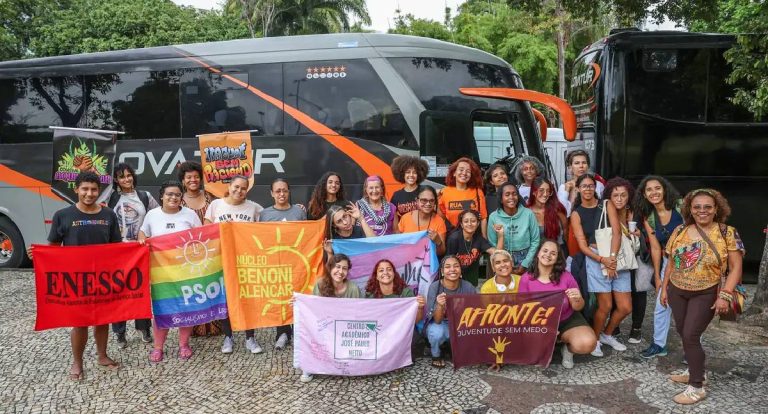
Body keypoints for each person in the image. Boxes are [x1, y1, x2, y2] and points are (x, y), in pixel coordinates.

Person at [32, 171, 122, 381]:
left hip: (103, 277)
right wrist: (37, 255)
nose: (89, 194)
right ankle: (77, 362)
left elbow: (117, 247)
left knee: (102, 320)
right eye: (85, 189)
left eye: (93, 189)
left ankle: (102, 355)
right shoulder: (63, 216)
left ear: (99, 191)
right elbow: (53, 248)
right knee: (79, 322)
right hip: (76, 280)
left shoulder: (108, 215)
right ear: (76, 189)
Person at [660, 188, 744, 405]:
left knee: (690, 334)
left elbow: (736, 268)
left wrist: (725, 296)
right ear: (690, 209)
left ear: (716, 209)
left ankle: (696, 386)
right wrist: (664, 288)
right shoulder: (680, 230)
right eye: (697, 207)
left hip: (706, 292)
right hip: (677, 290)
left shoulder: (727, 232)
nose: (702, 211)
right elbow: (671, 262)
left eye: (707, 207)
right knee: (682, 331)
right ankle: (695, 370)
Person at [139, 181, 203, 362]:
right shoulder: (152, 215)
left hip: (186, 272)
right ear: (161, 196)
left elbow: (200, 238)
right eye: (169, 194)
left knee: (187, 310)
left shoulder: (190, 215)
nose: (173, 197)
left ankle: (184, 344)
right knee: (161, 310)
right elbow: (142, 233)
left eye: (177, 194)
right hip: (162, 274)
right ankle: (158, 348)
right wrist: (143, 240)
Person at [204, 175, 264, 355]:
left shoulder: (255, 208)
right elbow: (206, 230)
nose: (239, 191)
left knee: (247, 298)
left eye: (243, 188)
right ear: (229, 186)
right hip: (221, 260)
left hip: (245, 262)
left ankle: (250, 337)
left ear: (247, 190)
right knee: (225, 299)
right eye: (236, 187)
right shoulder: (216, 205)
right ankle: (228, 337)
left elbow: (266, 229)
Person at [518, 240, 597, 369]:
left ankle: (567, 350)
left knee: (587, 343)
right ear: (538, 253)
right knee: (538, 359)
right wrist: (544, 328)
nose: (548, 255)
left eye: (553, 253)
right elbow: (522, 309)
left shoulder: (566, 276)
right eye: (545, 251)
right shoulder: (526, 278)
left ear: (557, 259)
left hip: (566, 318)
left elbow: (579, 306)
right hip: (539, 320)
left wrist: (577, 299)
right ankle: (546, 344)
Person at [107, 162, 159, 348]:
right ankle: (119, 333)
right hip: (117, 253)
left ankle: (144, 328)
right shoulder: (110, 198)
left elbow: (157, 217)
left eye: (129, 175)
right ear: (116, 180)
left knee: (140, 292)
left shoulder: (145, 196)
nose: (126, 179)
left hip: (139, 251)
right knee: (119, 293)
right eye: (122, 177)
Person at [634, 176, 683, 357]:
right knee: (662, 305)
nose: (654, 192)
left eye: (657, 188)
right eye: (649, 190)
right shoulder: (649, 217)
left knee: (689, 307)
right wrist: (657, 275)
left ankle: (692, 350)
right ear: (644, 195)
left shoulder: (681, 207)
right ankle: (658, 344)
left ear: (665, 190)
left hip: (690, 264)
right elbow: (655, 247)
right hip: (668, 263)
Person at [259, 178, 307, 350]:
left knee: (297, 298)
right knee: (280, 298)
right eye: (278, 191)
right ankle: (282, 333)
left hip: (296, 263)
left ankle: (299, 332)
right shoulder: (264, 214)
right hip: (275, 264)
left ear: (289, 192)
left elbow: (306, 235)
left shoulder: (299, 212)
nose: (281, 194)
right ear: (272, 193)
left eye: (284, 190)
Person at [591, 177, 636, 356]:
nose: (619, 199)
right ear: (609, 195)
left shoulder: (629, 212)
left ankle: (606, 334)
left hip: (622, 264)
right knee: (605, 306)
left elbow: (627, 237)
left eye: (623, 195)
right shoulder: (607, 205)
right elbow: (616, 234)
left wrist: (635, 233)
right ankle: (594, 340)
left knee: (625, 307)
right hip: (606, 261)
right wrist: (611, 261)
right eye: (615, 194)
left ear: (628, 196)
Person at [301, 253, 360, 382]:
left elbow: (357, 314)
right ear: (330, 268)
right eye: (337, 267)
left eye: (344, 268)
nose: (340, 271)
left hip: (345, 331)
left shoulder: (353, 288)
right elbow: (313, 309)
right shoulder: (320, 284)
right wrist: (298, 303)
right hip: (325, 328)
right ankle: (309, 365)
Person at [177, 161, 220, 337]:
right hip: (187, 254)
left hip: (211, 252)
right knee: (192, 289)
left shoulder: (211, 197)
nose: (193, 180)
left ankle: (216, 325)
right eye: (189, 177)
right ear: (182, 180)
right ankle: (194, 327)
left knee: (211, 286)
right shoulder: (176, 199)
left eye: (196, 176)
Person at [425, 255, 476, 368]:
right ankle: (436, 355)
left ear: (460, 270)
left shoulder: (468, 287)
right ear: (442, 272)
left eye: (456, 266)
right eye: (448, 267)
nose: (452, 269)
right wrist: (440, 305)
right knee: (436, 332)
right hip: (442, 324)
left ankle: (452, 349)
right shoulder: (435, 287)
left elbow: (476, 314)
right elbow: (437, 321)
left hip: (461, 324)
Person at [487, 182, 540, 273]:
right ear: (501, 199)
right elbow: (493, 243)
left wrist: (525, 263)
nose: (511, 197)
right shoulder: (494, 217)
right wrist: (503, 262)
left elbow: (535, 240)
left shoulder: (528, 214)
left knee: (524, 286)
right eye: (507, 195)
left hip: (526, 257)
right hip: (503, 258)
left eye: (514, 194)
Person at [445, 209, 501, 287]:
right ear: (461, 224)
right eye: (466, 221)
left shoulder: (479, 239)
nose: (470, 224)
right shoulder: (454, 238)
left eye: (473, 221)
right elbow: (447, 261)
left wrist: (500, 235)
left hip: (471, 282)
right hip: (455, 281)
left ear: (478, 223)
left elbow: (497, 253)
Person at [438, 157, 487, 236]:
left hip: (473, 237)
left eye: (468, 171)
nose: (464, 173)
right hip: (452, 238)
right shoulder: (445, 192)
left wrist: (484, 239)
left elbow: (483, 218)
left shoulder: (478, 192)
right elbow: (441, 218)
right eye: (461, 170)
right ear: (454, 173)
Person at [398, 185, 447, 255]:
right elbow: (397, 245)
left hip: (429, 264)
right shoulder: (405, 218)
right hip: (408, 263)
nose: (428, 203)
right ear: (417, 200)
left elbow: (441, 252)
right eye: (424, 200)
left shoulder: (439, 221)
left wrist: (438, 242)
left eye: (432, 200)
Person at [558, 150, 605, 215]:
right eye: (577, 163)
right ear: (570, 167)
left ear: (588, 166)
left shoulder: (599, 185)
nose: (581, 166)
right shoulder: (564, 187)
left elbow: (604, 207)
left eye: (584, 162)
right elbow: (562, 212)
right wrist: (566, 192)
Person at [527, 177, 568, 245]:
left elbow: (566, 232)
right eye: (541, 190)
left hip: (557, 250)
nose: (545, 194)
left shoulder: (557, 209)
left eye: (548, 191)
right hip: (535, 252)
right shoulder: (526, 212)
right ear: (533, 192)